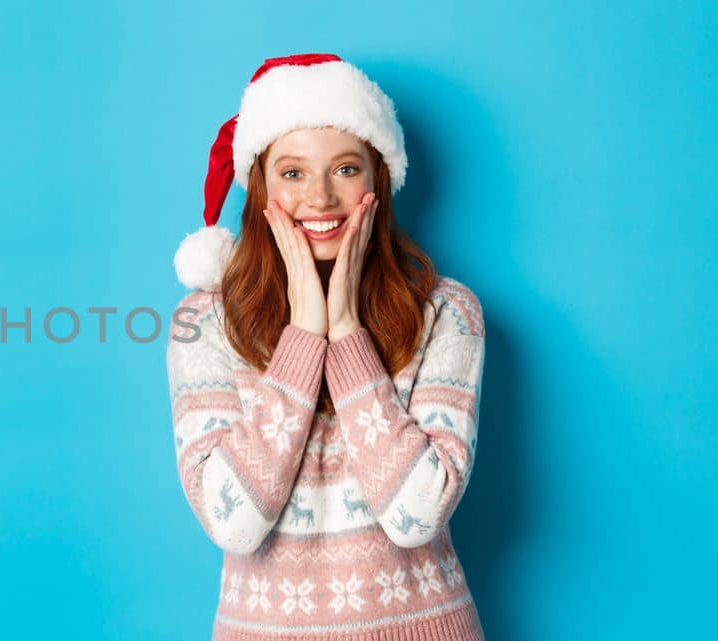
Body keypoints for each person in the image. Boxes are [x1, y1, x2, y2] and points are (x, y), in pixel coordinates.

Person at [165, 53, 488, 641]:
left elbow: (416, 516)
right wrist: (303, 336)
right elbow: (233, 524)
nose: (320, 198)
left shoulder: (447, 311)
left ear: (378, 179)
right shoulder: (203, 322)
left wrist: (345, 330)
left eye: (344, 169)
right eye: (292, 173)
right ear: (261, 185)